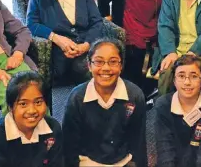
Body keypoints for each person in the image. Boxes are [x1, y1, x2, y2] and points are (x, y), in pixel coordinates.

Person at [62, 38, 147, 167]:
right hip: (87, 162)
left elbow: (138, 141)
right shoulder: (77, 98)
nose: (106, 68)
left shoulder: (135, 95)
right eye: (99, 62)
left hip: (123, 162)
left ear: (121, 65)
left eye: (113, 62)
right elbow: (69, 145)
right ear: (89, 66)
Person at [27, 0, 104, 85]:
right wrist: (57, 38)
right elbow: (31, 23)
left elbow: (97, 22)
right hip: (57, 48)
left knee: (99, 64)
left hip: (85, 44)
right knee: (81, 68)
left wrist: (86, 45)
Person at [0, 71, 63, 167]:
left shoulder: (53, 128)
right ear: (10, 107)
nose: (32, 110)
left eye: (38, 102)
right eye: (23, 104)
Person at [154, 55, 201, 167]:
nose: (187, 82)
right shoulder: (163, 105)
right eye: (181, 76)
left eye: (194, 76)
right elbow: (165, 150)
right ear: (174, 80)